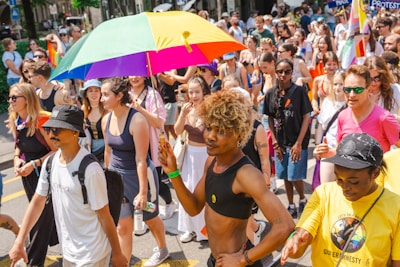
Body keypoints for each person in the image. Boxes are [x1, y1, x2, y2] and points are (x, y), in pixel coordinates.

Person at [159, 89, 295, 267]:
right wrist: (173, 173)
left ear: (238, 134)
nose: (210, 136)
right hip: (215, 261)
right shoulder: (211, 162)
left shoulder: (246, 174)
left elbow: (285, 226)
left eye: (221, 131)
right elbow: (193, 208)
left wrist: (243, 259)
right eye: (209, 127)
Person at [9, 104, 128, 267]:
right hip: (69, 253)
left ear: (75, 131)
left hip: (93, 255)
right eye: (49, 129)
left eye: (58, 129)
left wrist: (117, 253)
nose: (51, 134)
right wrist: (20, 241)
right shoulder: (50, 162)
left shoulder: (90, 169)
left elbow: (104, 215)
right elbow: (37, 202)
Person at [281, 133, 400, 267]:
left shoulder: (395, 207)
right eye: (339, 179)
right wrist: (295, 241)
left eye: (353, 182)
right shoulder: (324, 194)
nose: (345, 187)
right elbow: (301, 238)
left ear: (375, 173)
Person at [101, 78, 169, 266]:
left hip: (140, 179)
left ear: (119, 95)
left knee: (150, 217)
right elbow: (108, 151)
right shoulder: (106, 119)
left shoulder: (137, 120)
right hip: (118, 180)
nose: (101, 99)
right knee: (123, 227)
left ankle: (162, 248)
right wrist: (108, 180)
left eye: (106, 94)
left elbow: (141, 159)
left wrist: (143, 192)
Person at [8, 82, 58, 266]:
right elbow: (17, 148)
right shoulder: (16, 120)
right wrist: (16, 160)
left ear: (27, 99)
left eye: (15, 98)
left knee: (38, 219)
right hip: (28, 176)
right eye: (10, 98)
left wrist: (34, 163)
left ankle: (31, 260)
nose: (10, 101)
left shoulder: (42, 120)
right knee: (43, 217)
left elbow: (56, 150)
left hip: (46, 174)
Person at [314, 65, 400, 159]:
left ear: (369, 90)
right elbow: (339, 150)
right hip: (346, 173)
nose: (351, 95)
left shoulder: (384, 118)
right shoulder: (343, 116)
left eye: (357, 90)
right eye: (347, 89)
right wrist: (326, 153)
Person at [263, 58, 313, 219]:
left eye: (287, 72)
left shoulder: (299, 92)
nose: (283, 75)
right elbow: (269, 118)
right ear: (275, 72)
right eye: (280, 71)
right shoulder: (271, 93)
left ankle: (303, 199)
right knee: (284, 175)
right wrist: (275, 142)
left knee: (294, 176)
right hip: (281, 142)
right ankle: (291, 203)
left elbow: (306, 117)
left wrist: (299, 143)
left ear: (292, 73)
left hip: (297, 140)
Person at [128, 75, 177, 221]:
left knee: (154, 181)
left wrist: (139, 109)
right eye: (131, 74)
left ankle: (169, 202)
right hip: (133, 144)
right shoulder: (125, 94)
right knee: (138, 180)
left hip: (151, 144)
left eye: (137, 74)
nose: (134, 78)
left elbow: (159, 123)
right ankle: (147, 213)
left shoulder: (152, 94)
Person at [173, 75, 210, 243]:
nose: (194, 96)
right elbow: (177, 131)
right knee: (187, 189)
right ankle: (189, 229)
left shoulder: (209, 109)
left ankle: (205, 229)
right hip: (189, 155)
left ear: (204, 92)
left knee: (204, 192)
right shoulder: (186, 108)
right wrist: (183, 114)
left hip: (206, 156)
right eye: (191, 92)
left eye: (197, 92)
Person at [314, 71, 346, 184]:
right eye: (335, 84)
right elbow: (321, 126)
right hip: (328, 149)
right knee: (326, 186)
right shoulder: (327, 102)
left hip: (345, 151)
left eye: (341, 84)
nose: (338, 87)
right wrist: (317, 146)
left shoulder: (350, 104)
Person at [364, 55, 400, 123]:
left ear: (383, 76)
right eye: (369, 79)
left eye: (377, 78)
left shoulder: (395, 89)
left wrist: (392, 118)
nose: (373, 83)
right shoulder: (361, 92)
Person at [80, 79, 108, 161]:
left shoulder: (107, 108)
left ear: (101, 93)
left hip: (106, 148)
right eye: (90, 91)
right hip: (90, 150)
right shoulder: (83, 109)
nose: (94, 93)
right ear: (86, 94)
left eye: (96, 90)